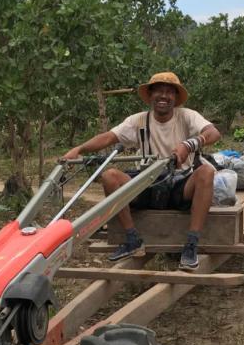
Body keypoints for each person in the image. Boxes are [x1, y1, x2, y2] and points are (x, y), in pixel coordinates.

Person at [63, 72, 221, 271]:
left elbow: (213, 132)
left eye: (168, 92)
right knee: (109, 176)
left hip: (179, 184)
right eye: (159, 91)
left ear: (175, 97)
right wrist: (79, 149)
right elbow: (108, 137)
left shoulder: (187, 116)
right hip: (147, 183)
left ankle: (191, 244)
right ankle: (132, 238)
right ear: (151, 95)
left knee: (206, 171)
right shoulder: (137, 121)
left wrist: (189, 145)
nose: (163, 96)